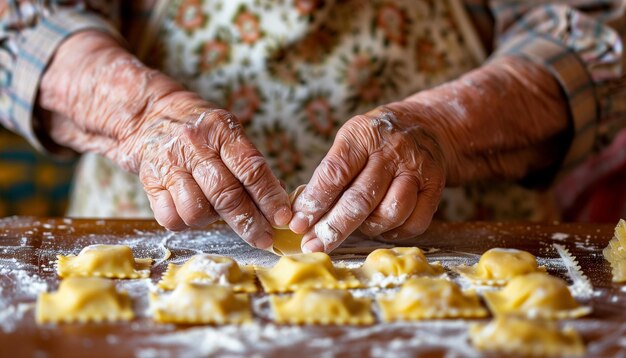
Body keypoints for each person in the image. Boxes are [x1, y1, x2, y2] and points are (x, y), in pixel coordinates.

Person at [0, 1, 624, 253]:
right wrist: (141, 115)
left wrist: (445, 127)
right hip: (153, 242)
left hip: (460, 242)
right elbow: (25, 22)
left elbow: (588, 35)